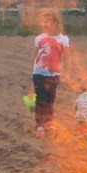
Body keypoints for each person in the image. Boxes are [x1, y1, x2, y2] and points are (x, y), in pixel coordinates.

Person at [31, 9, 70, 137]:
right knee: (41, 100)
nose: (45, 24)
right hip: (39, 74)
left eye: (48, 22)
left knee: (50, 100)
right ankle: (39, 125)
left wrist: (67, 73)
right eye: (43, 22)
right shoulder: (39, 39)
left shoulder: (63, 40)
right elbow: (35, 57)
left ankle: (48, 123)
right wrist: (34, 75)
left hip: (53, 75)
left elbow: (67, 58)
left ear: (55, 22)